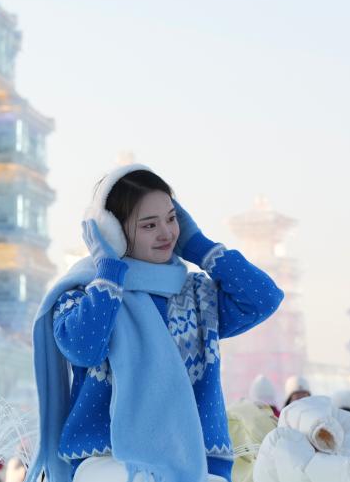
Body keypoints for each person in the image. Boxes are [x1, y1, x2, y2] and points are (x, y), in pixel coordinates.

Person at [27, 164, 285, 482]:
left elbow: (263, 298)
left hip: (200, 462)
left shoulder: (197, 295)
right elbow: (84, 348)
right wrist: (107, 271)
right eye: (149, 225)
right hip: (108, 461)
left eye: (171, 219)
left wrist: (200, 246)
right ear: (113, 233)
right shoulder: (86, 296)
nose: (166, 233)